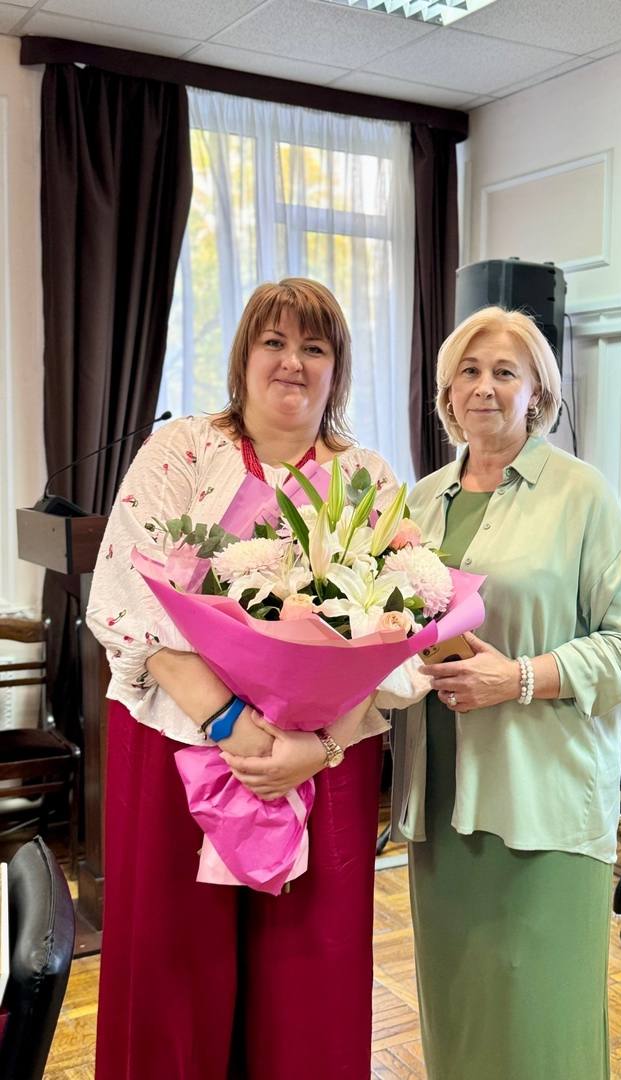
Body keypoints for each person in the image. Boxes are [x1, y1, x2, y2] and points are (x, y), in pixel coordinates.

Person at [87, 278, 399, 1080]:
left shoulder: (367, 476)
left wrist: (317, 745)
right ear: (243, 358)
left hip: (321, 759)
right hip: (180, 741)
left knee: (310, 982)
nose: (293, 362)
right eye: (275, 342)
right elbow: (125, 594)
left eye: (315, 348)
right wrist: (229, 722)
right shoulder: (183, 450)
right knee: (172, 970)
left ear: (338, 370)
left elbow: (399, 631)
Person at [390, 306, 621, 1080]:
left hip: (541, 796)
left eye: (505, 372)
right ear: (447, 393)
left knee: (539, 1010)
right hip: (441, 798)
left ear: (537, 393)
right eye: (470, 372)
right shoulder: (418, 503)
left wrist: (516, 678)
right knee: (459, 1004)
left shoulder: (583, 496)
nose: (485, 387)